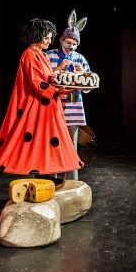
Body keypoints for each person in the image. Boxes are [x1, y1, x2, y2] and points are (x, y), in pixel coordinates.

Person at [0, 18, 81, 180]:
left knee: (46, 140)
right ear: (37, 35)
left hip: (47, 106)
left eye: (50, 38)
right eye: (47, 38)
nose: (50, 41)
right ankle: (40, 175)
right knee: (37, 140)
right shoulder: (29, 55)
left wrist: (68, 83)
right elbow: (38, 84)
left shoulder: (41, 55)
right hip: (37, 107)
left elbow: (49, 77)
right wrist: (59, 88)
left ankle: (46, 174)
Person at [46, 10, 91, 180]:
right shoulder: (49, 55)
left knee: (71, 144)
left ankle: (72, 181)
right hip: (53, 104)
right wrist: (57, 69)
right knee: (53, 142)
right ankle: (53, 179)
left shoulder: (80, 58)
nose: (70, 46)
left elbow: (88, 84)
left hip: (73, 104)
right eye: (68, 42)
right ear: (61, 40)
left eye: (74, 43)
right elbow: (42, 78)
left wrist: (82, 73)